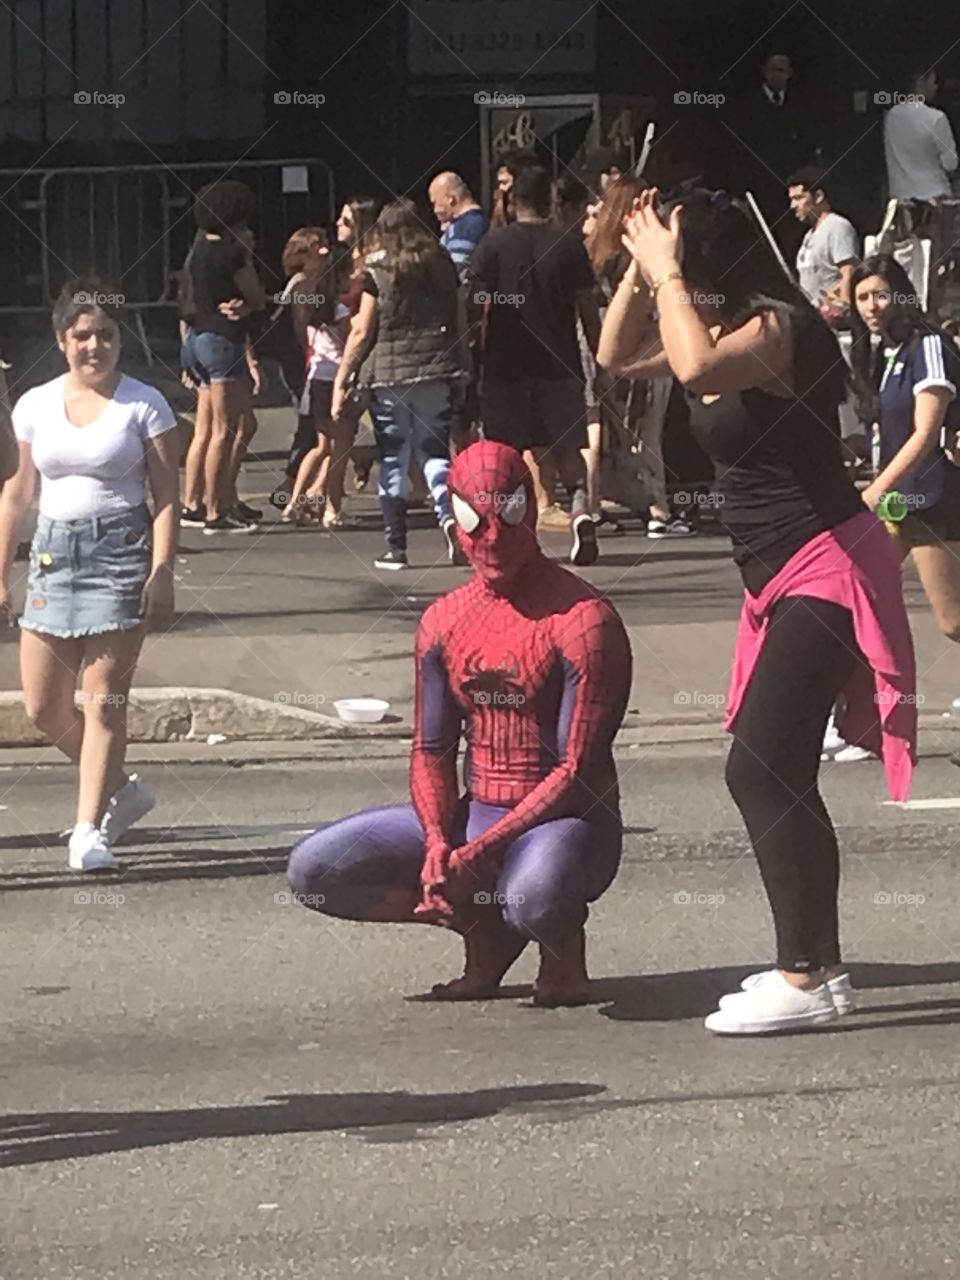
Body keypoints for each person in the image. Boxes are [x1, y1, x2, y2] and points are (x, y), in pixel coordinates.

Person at [599, 187, 917, 1035]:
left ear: (703, 267)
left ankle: (807, 977)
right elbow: (616, 354)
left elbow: (698, 367)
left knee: (762, 768)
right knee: (779, 769)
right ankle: (820, 969)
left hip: (829, 562)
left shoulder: (777, 330)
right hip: (777, 578)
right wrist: (642, 272)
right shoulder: (708, 326)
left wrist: (664, 269)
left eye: (676, 263)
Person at [287, 441, 631, 1004]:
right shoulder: (444, 621)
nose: (492, 540)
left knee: (534, 898)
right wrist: (439, 844)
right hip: (479, 815)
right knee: (317, 872)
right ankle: (484, 930)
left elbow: (576, 769)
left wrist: (480, 849)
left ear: (530, 508)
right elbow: (431, 748)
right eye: (474, 522)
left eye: (508, 517)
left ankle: (559, 945)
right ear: (454, 519)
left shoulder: (583, 621)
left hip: (568, 824)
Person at [0, 282, 180, 871]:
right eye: (82, 335)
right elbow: (19, 491)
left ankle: (87, 832)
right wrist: (1, 572)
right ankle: (121, 789)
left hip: (119, 556)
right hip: (53, 558)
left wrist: (162, 571)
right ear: (62, 342)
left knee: (104, 703)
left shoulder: (144, 403)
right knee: (43, 707)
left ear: (120, 340)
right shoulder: (34, 404)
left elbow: (165, 496)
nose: (94, 345)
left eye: (105, 334)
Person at [467, 164, 602, 566]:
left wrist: (471, 352)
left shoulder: (493, 245)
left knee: (506, 456)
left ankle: (510, 534)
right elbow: (588, 310)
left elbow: (473, 306)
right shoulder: (569, 244)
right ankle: (580, 512)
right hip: (560, 365)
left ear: (512, 201)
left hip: (506, 367)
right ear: (551, 199)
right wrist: (601, 358)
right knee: (567, 450)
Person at [331, 199, 468, 570]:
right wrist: (462, 366)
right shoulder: (443, 265)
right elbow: (459, 317)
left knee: (395, 457)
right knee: (435, 455)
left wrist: (343, 379)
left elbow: (362, 329)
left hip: (389, 377)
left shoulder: (378, 268)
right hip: (436, 369)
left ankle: (397, 547)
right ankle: (450, 519)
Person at [851, 254, 960, 665]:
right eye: (861, 297)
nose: (871, 306)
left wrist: (876, 489)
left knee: (953, 621)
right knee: (853, 597)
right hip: (894, 505)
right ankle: (846, 712)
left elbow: (926, 432)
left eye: (880, 294)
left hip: (932, 496)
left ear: (901, 294)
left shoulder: (929, 345)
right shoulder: (882, 355)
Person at [583, 175, 687, 535]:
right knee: (649, 430)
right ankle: (659, 508)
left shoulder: (596, 253)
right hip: (648, 347)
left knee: (608, 430)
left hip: (607, 351)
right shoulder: (637, 256)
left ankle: (595, 505)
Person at [178, 181, 265, 534]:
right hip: (223, 340)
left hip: (197, 338)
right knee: (224, 432)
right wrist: (248, 304)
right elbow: (256, 297)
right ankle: (217, 511)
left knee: (206, 429)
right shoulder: (231, 256)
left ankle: (197, 502)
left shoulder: (197, 251)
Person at [788, 167, 866, 463]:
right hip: (815, 326)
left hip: (838, 328)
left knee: (846, 392)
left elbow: (848, 271)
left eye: (799, 198)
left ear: (818, 195)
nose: (794, 206)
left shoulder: (837, 228)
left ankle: (855, 450)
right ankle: (840, 451)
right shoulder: (810, 235)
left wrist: (842, 306)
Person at [282, 245, 353, 527]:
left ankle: (295, 500)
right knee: (337, 446)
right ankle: (330, 508)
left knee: (320, 445)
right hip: (336, 378)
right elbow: (350, 342)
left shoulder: (308, 304)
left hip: (316, 378)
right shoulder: (339, 307)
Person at [882, 61, 958, 312]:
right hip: (933, 203)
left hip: (901, 203)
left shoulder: (891, 116)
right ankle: (933, 317)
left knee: (904, 266)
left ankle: (906, 312)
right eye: (933, 81)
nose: (936, 87)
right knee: (935, 267)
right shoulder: (936, 118)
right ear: (921, 82)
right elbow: (950, 162)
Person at [267, 227, 331, 512]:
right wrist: (313, 355)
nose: (326, 251)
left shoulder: (313, 281)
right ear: (303, 255)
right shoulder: (302, 283)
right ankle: (292, 485)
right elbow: (301, 328)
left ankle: (302, 486)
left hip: (304, 361)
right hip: (301, 362)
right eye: (318, 247)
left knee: (314, 425)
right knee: (311, 425)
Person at [334, 196, 381, 493]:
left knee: (343, 422)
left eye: (346, 221)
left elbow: (365, 322)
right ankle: (363, 456)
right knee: (340, 425)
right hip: (337, 349)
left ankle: (316, 494)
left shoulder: (373, 265)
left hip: (363, 353)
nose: (338, 225)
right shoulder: (345, 261)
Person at [429, 171, 489, 280]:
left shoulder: (466, 229)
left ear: (450, 199)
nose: (435, 210)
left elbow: (453, 275)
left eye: (435, 203)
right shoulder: (475, 222)